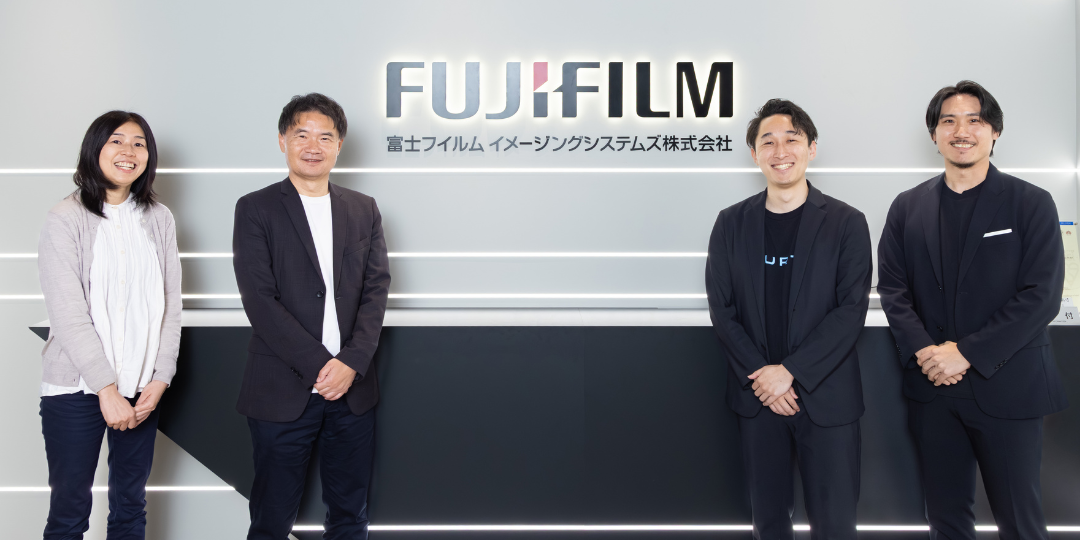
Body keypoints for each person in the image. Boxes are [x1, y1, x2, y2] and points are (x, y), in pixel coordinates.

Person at [877, 80, 1067, 540]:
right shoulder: (907, 207)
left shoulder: (1031, 202)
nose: (961, 131)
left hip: (1009, 386)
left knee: (1020, 521)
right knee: (946, 521)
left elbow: (1041, 295)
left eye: (974, 120)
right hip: (933, 390)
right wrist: (927, 352)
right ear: (934, 134)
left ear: (995, 131)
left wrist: (965, 353)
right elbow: (894, 290)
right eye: (948, 121)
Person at [705, 99, 872, 539]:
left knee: (835, 526)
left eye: (792, 139)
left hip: (827, 398)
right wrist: (766, 378)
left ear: (812, 148)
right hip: (758, 398)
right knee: (769, 524)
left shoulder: (847, 223)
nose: (780, 151)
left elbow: (850, 310)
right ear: (754, 154)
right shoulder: (731, 224)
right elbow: (723, 310)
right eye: (768, 142)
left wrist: (790, 372)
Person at [233, 93, 391, 540]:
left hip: (353, 391)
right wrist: (323, 366)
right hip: (281, 389)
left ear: (339, 145)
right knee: (272, 519)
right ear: (283, 140)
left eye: (325, 136)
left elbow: (376, 289)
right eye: (302, 134)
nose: (313, 146)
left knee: (350, 514)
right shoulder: (256, 208)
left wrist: (351, 363)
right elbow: (259, 299)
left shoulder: (363, 208)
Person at [37, 110, 182, 539]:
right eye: (116, 140)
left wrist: (160, 378)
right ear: (94, 149)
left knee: (130, 506)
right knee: (69, 512)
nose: (128, 151)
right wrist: (106, 388)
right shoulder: (65, 218)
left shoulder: (159, 218)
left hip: (142, 389)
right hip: (77, 388)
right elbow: (68, 314)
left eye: (139, 143)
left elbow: (170, 306)